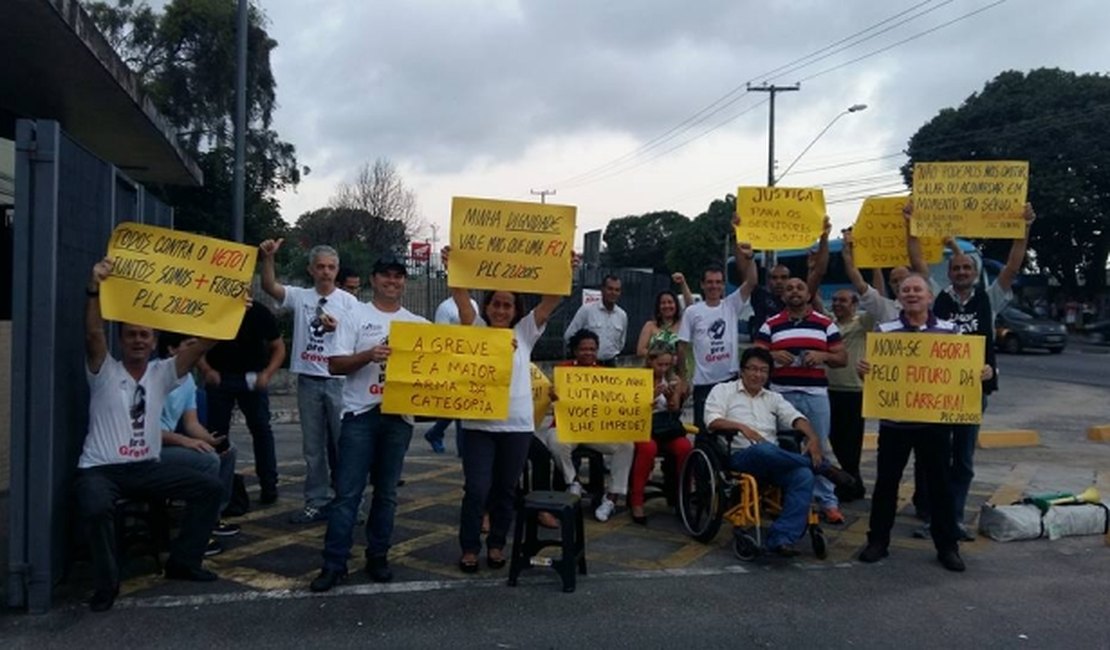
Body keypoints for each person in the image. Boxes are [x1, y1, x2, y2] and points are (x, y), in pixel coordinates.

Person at [75, 258, 224, 612]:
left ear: (154, 340)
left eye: (144, 335)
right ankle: (106, 584)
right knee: (95, 506)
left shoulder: (162, 373)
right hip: (101, 469)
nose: (138, 340)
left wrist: (230, 309)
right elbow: (93, 334)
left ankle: (183, 562)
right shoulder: (103, 370)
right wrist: (94, 287)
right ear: (122, 340)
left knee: (211, 488)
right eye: (131, 334)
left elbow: (200, 346)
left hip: (145, 466)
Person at [906, 201, 1035, 540]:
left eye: (966, 268)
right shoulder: (937, 298)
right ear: (948, 273)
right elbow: (918, 263)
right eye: (956, 268)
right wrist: (911, 225)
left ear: (975, 272)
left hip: (973, 393)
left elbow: (1012, 265)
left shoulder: (989, 298)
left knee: (962, 460)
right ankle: (935, 519)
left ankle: (955, 519)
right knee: (937, 458)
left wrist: (1023, 228)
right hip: (937, 391)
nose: (961, 272)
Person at [442, 246, 574, 573]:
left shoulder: (525, 332)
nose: (501, 309)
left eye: (507, 304)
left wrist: (563, 269)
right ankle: (470, 547)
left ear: (516, 310)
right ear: (486, 305)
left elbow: (550, 302)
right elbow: (460, 294)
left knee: (505, 490)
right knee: (476, 489)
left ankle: (497, 544)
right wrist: (453, 266)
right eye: (496, 303)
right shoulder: (475, 329)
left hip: (516, 427)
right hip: (477, 427)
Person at [856, 273, 993, 572]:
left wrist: (983, 372)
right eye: (906, 290)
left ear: (930, 297)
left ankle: (947, 547)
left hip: (935, 424)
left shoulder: (951, 331)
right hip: (895, 424)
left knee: (940, 487)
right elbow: (872, 377)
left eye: (918, 289)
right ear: (900, 298)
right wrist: (863, 370)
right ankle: (877, 541)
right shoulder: (884, 332)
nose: (912, 294)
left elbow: (965, 371)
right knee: (885, 485)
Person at [310, 254, 428, 592]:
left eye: (398, 276)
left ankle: (378, 556)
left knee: (387, 494)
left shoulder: (417, 323)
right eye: (386, 275)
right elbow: (334, 365)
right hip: (360, 415)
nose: (392, 281)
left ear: (404, 282)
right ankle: (334, 563)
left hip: (399, 419)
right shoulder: (354, 315)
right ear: (373, 279)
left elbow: (456, 354)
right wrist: (368, 355)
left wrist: (499, 347)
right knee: (347, 494)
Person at [705, 347, 854, 557]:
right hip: (741, 455)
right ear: (742, 370)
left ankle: (782, 538)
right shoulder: (723, 391)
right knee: (764, 449)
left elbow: (797, 418)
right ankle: (822, 467)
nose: (758, 375)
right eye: (753, 369)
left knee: (802, 476)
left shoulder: (773, 397)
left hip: (774, 459)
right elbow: (712, 421)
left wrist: (812, 438)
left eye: (763, 371)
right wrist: (740, 427)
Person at [259, 239, 359, 524]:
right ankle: (316, 500)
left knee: (346, 445)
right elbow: (270, 287)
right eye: (320, 267)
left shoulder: (349, 302)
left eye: (331, 267)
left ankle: (350, 501)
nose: (326, 272)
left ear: (337, 270)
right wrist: (268, 259)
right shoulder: (301, 296)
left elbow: (357, 338)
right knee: (313, 447)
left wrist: (338, 328)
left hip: (339, 380)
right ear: (311, 270)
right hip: (309, 380)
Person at [755, 277, 848, 523]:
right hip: (781, 395)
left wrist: (823, 355)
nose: (794, 292)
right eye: (788, 289)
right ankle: (787, 498)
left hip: (815, 395)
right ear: (782, 296)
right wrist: (771, 353)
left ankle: (828, 501)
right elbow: (755, 355)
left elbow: (842, 358)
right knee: (783, 447)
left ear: (808, 294)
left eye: (799, 287)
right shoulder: (770, 324)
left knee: (820, 446)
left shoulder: (825, 324)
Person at [541, 328, 635, 522]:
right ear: (575, 351)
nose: (588, 353)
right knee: (555, 442)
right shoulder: (562, 371)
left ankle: (611, 497)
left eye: (592, 349)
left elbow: (618, 403)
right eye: (584, 349)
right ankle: (573, 482)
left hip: (595, 430)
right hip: (566, 427)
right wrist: (553, 397)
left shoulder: (605, 375)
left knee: (626, 445)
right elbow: (550, 404)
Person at [158, 332, 239, 554]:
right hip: (152, 448)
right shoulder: (156, 374)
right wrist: (187, 442)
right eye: (190, 345)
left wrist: (211, 440)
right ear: (172, 350)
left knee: (227, 452)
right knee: (208, 460)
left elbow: (191, 423)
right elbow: (147, 432)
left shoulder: (188, 380)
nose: (197, 351)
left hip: (172, 442)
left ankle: (214, 517)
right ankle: (198, 534)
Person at [197, 302, 285, 507]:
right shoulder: (212, 307)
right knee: (217, 435)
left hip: (252, 378)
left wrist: (267, 374)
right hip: (221, 377)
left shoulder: (260, 312)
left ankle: (269, 485)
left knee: (261, 429)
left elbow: (278, 346)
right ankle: (217, 488)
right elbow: (196, 344)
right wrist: (206, 370)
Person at [677, 238, 758, 432]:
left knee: (731, 431)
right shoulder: (692, 312)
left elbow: (752, 282)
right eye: (710, 282)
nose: (714, 286)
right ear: (702, 285)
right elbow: (681, 346)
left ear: (723, 285)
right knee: (704, 431)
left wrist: (750, 259)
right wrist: (683, 377)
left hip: (729, 381)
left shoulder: (731, 305)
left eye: (718, 283)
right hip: (704, 383)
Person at [628, 341, 691, 524]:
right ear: (650, 361)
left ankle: (681, 495)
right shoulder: (638, 379)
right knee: (647, 449)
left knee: (685, 447)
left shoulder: (674, 380)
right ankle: (637, 500)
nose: (663, 369)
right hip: (643, 426)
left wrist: (672, 396)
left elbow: (674, 409)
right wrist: (652, 396)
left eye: (667, 365)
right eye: (659, 364)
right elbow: (630, 409)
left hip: (665, 427)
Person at [824, 288, 872, 502]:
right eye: (834, 300)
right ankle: (849, 484)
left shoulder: (862, 323)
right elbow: (813, 296)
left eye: (842, 300)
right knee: (834, 441)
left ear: (854, 304)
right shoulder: (829, 324)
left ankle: (853, 485)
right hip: (829, 390)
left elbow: (876, 300)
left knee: (851, 444)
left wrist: (876, 270)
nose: (837, 304)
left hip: (853, 391)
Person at [423, 294, 480, 454]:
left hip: (470, 360)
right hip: (452, 362)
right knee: (460, 406)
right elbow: (441, 337)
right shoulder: (445, 308)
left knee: (460, 405)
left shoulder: (474, 304)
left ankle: (435, 433)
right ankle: (463, 449)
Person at [563, 274, 627, 366]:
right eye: (610, 289)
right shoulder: (587, 310)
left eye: (617, 290)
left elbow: (621, 343)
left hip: (611, 365)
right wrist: (582, 355)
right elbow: (569, 335)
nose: (613, 293)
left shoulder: (622, 315)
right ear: (602, 289)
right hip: (588, 365)